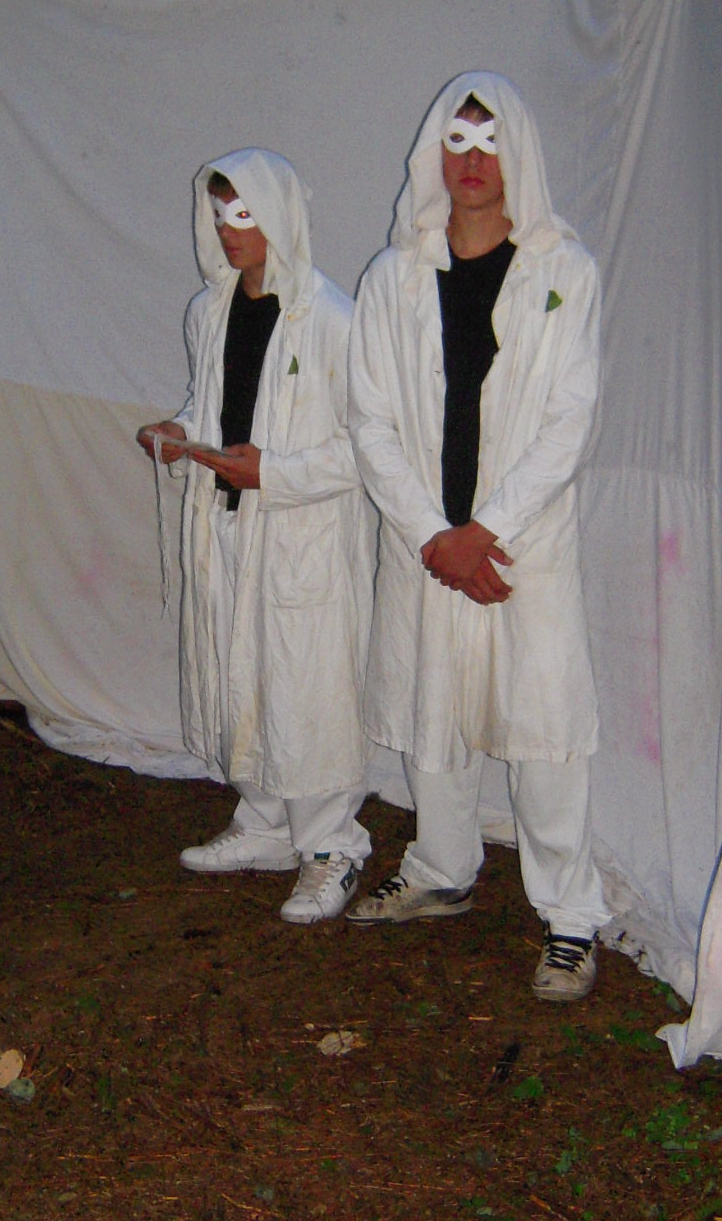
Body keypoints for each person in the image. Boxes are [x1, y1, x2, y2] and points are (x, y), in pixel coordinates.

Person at [345, 73, 611, 1001]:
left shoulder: (565, 273)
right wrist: (434, 534)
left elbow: (570, 421)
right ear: (433, 154)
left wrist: (485, 531)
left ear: (519, 154)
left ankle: (571, 916)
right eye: (455, 142)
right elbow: (370, 421)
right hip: (428, 548)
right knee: (436, 716)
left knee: (543, 732)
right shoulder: (392, 278)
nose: (472, 161)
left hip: (517, 548)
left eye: (489, 142)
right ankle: (441, 868)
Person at [138, 150, 375, 925]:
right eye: (219, 216)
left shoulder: (333, 319)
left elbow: (369, 445)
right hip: (227, 526)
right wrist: (182, 431)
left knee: (308, 684)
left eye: (244, 214)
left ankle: (332, 844)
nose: (229, 231)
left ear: (280, 214)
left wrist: (275, 472)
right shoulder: (208, 312)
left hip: (303, 535)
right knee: (238, 670)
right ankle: (266, 821)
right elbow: (211, 401)